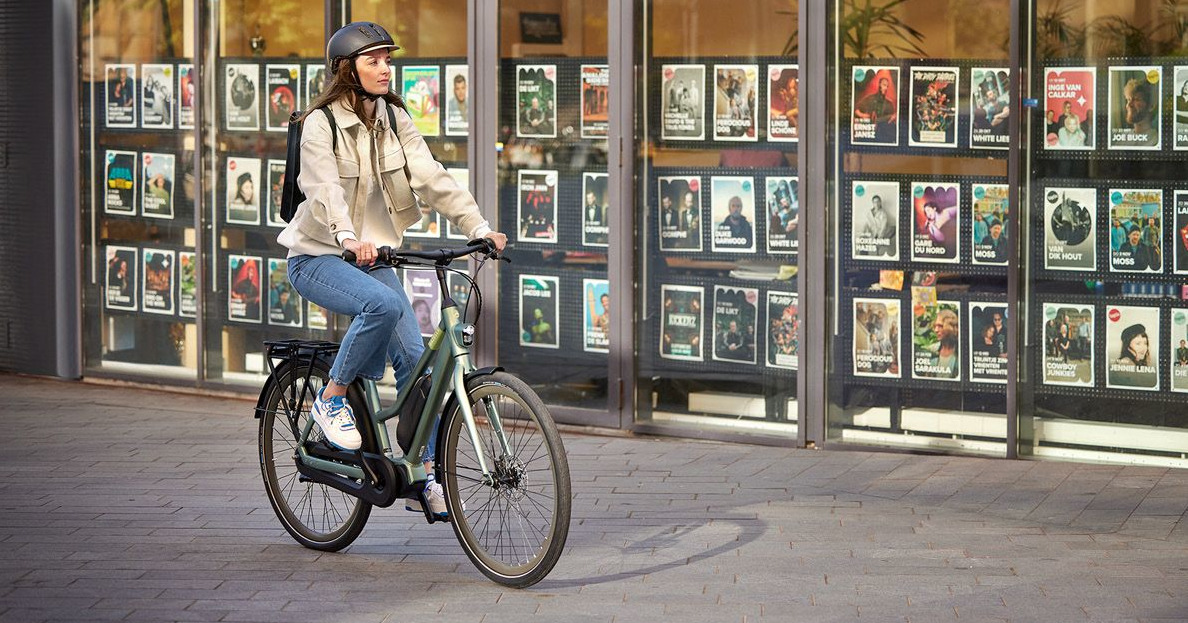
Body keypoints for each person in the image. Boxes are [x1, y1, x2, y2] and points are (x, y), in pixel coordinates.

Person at [278, 22, 506, 519]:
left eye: (388, 59)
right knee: (380, 304)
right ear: (348, 69)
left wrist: (479, 226)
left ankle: (421, 471)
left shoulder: (395, 117)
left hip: (373, 256)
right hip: (317, 256)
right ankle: (332, 399)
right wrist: (345, 236)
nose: (386, 68)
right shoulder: (321, 123)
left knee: (414, 358)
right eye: (374, 60)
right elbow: (322, 190)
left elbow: (431, 177)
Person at [1121, 77, 1156, 143]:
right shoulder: (1122, 139)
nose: (1129, 105)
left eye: (1136, 99)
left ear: (1151, 106)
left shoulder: (1155, 141)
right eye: (1128, 99)